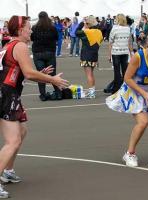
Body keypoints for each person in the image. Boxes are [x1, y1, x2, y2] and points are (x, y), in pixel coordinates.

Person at [0, 15, 69, 198]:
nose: (31, 30)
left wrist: (41, 74)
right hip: (7, 95)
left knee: (21, 132)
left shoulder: (8, 45)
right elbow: (29, 74)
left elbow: (17, 71)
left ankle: (8, 170)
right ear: (21, 30)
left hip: (9, 94)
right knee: (12, 140)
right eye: (29, 27)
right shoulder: (20, 45)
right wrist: (51, 79)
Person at [106, 32, 148, 167]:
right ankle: (130, 153)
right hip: (133, 90)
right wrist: (143, 93)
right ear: (147, 43)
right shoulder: (138, 56)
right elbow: (127, 78)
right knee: (143, 122)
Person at [31, 11, 62, 101]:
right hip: (50, 52)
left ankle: (43, 95)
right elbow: (56, 37)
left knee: (41, 74)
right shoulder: (52, 28)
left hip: (38, 53)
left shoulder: (35, 27)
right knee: (52, 74)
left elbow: (32, 38)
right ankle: (58, 93)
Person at [75, 15, 103, 98]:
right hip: (94, 55)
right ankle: (92, 91)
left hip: (86, 55)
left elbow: (76, 32)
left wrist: (81, 23)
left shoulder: (87, 32)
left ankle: (91, 93)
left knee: (88, 74)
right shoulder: (99, 32)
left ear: (88, 23)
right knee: (91, 74)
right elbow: (100, 40)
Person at [108, 14, 133, 94]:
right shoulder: (128, 29)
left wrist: (109, 55)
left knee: (117, 71)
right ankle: (125, 88)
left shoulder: (114, 29)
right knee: (125, 71)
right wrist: (131, 53)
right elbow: (129, 43)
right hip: (125, 52)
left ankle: (116, 89)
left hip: (116, 52)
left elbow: (110, 42)